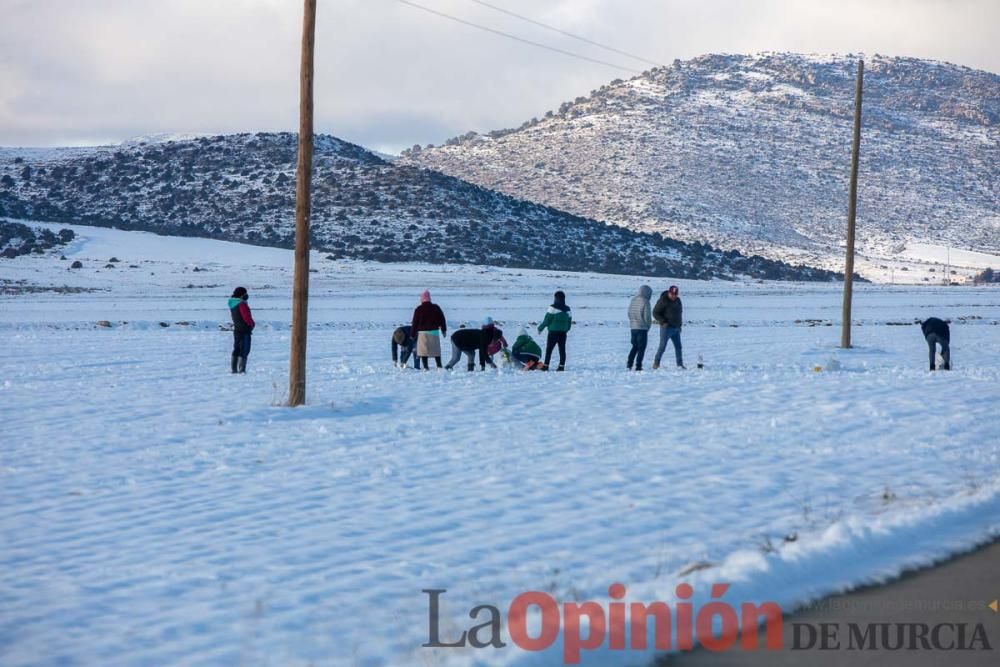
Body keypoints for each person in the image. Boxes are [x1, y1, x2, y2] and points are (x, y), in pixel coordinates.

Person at [411, 290, 447, 369]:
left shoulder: (418, 309)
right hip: (434, 332)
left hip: (422, 333)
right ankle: (439, 365)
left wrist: (412, 334)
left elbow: (415, 323)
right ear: (430, 298)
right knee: (436, 350)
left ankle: (426, 367)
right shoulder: (436, 307)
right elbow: (442, 319)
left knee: (424, 351)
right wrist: (444, 330)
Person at [538, 290, 572, 371]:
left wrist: (540, 328)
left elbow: (546, 320)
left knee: (549, 349)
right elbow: (569, 322)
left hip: (553, 332)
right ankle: (561, 366)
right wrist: (566, 330)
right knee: (562, 350)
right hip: (563, 333)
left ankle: (546, 366)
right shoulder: (568, 309)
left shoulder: (552, 308)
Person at [652, 285, 684, 369]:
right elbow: (655, 313)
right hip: (666, 328)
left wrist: (680, 325)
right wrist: (663, 321)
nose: (673, 296)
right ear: (669, 293)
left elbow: (680, 313)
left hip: (676, 328)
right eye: (672, 294)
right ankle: (656, 363)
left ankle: (680, 364)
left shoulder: (678, 300)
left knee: (678, 347)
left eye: (675, 294)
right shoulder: (663, 301)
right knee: (662, 347)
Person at [228, 286, 255, 374]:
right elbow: (246, 317)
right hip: (244, 330)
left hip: (237, 329)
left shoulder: (233, 304)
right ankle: (241, 370)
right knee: (244, 349)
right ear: (241, 295)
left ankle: (234, 369)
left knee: (237, 349)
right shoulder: (241, 304)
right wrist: (251, 324)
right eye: (245, 293)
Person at [627, 285, 653, 371]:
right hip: (642, 328)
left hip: (633, 328)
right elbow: (647, 317)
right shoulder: (645, 301)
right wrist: (648, 326)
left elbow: (629, 313)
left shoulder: (633, 300)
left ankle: (629, 364)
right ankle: (638, 366)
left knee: (634, 347)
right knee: (641, 348)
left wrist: (632, 323)